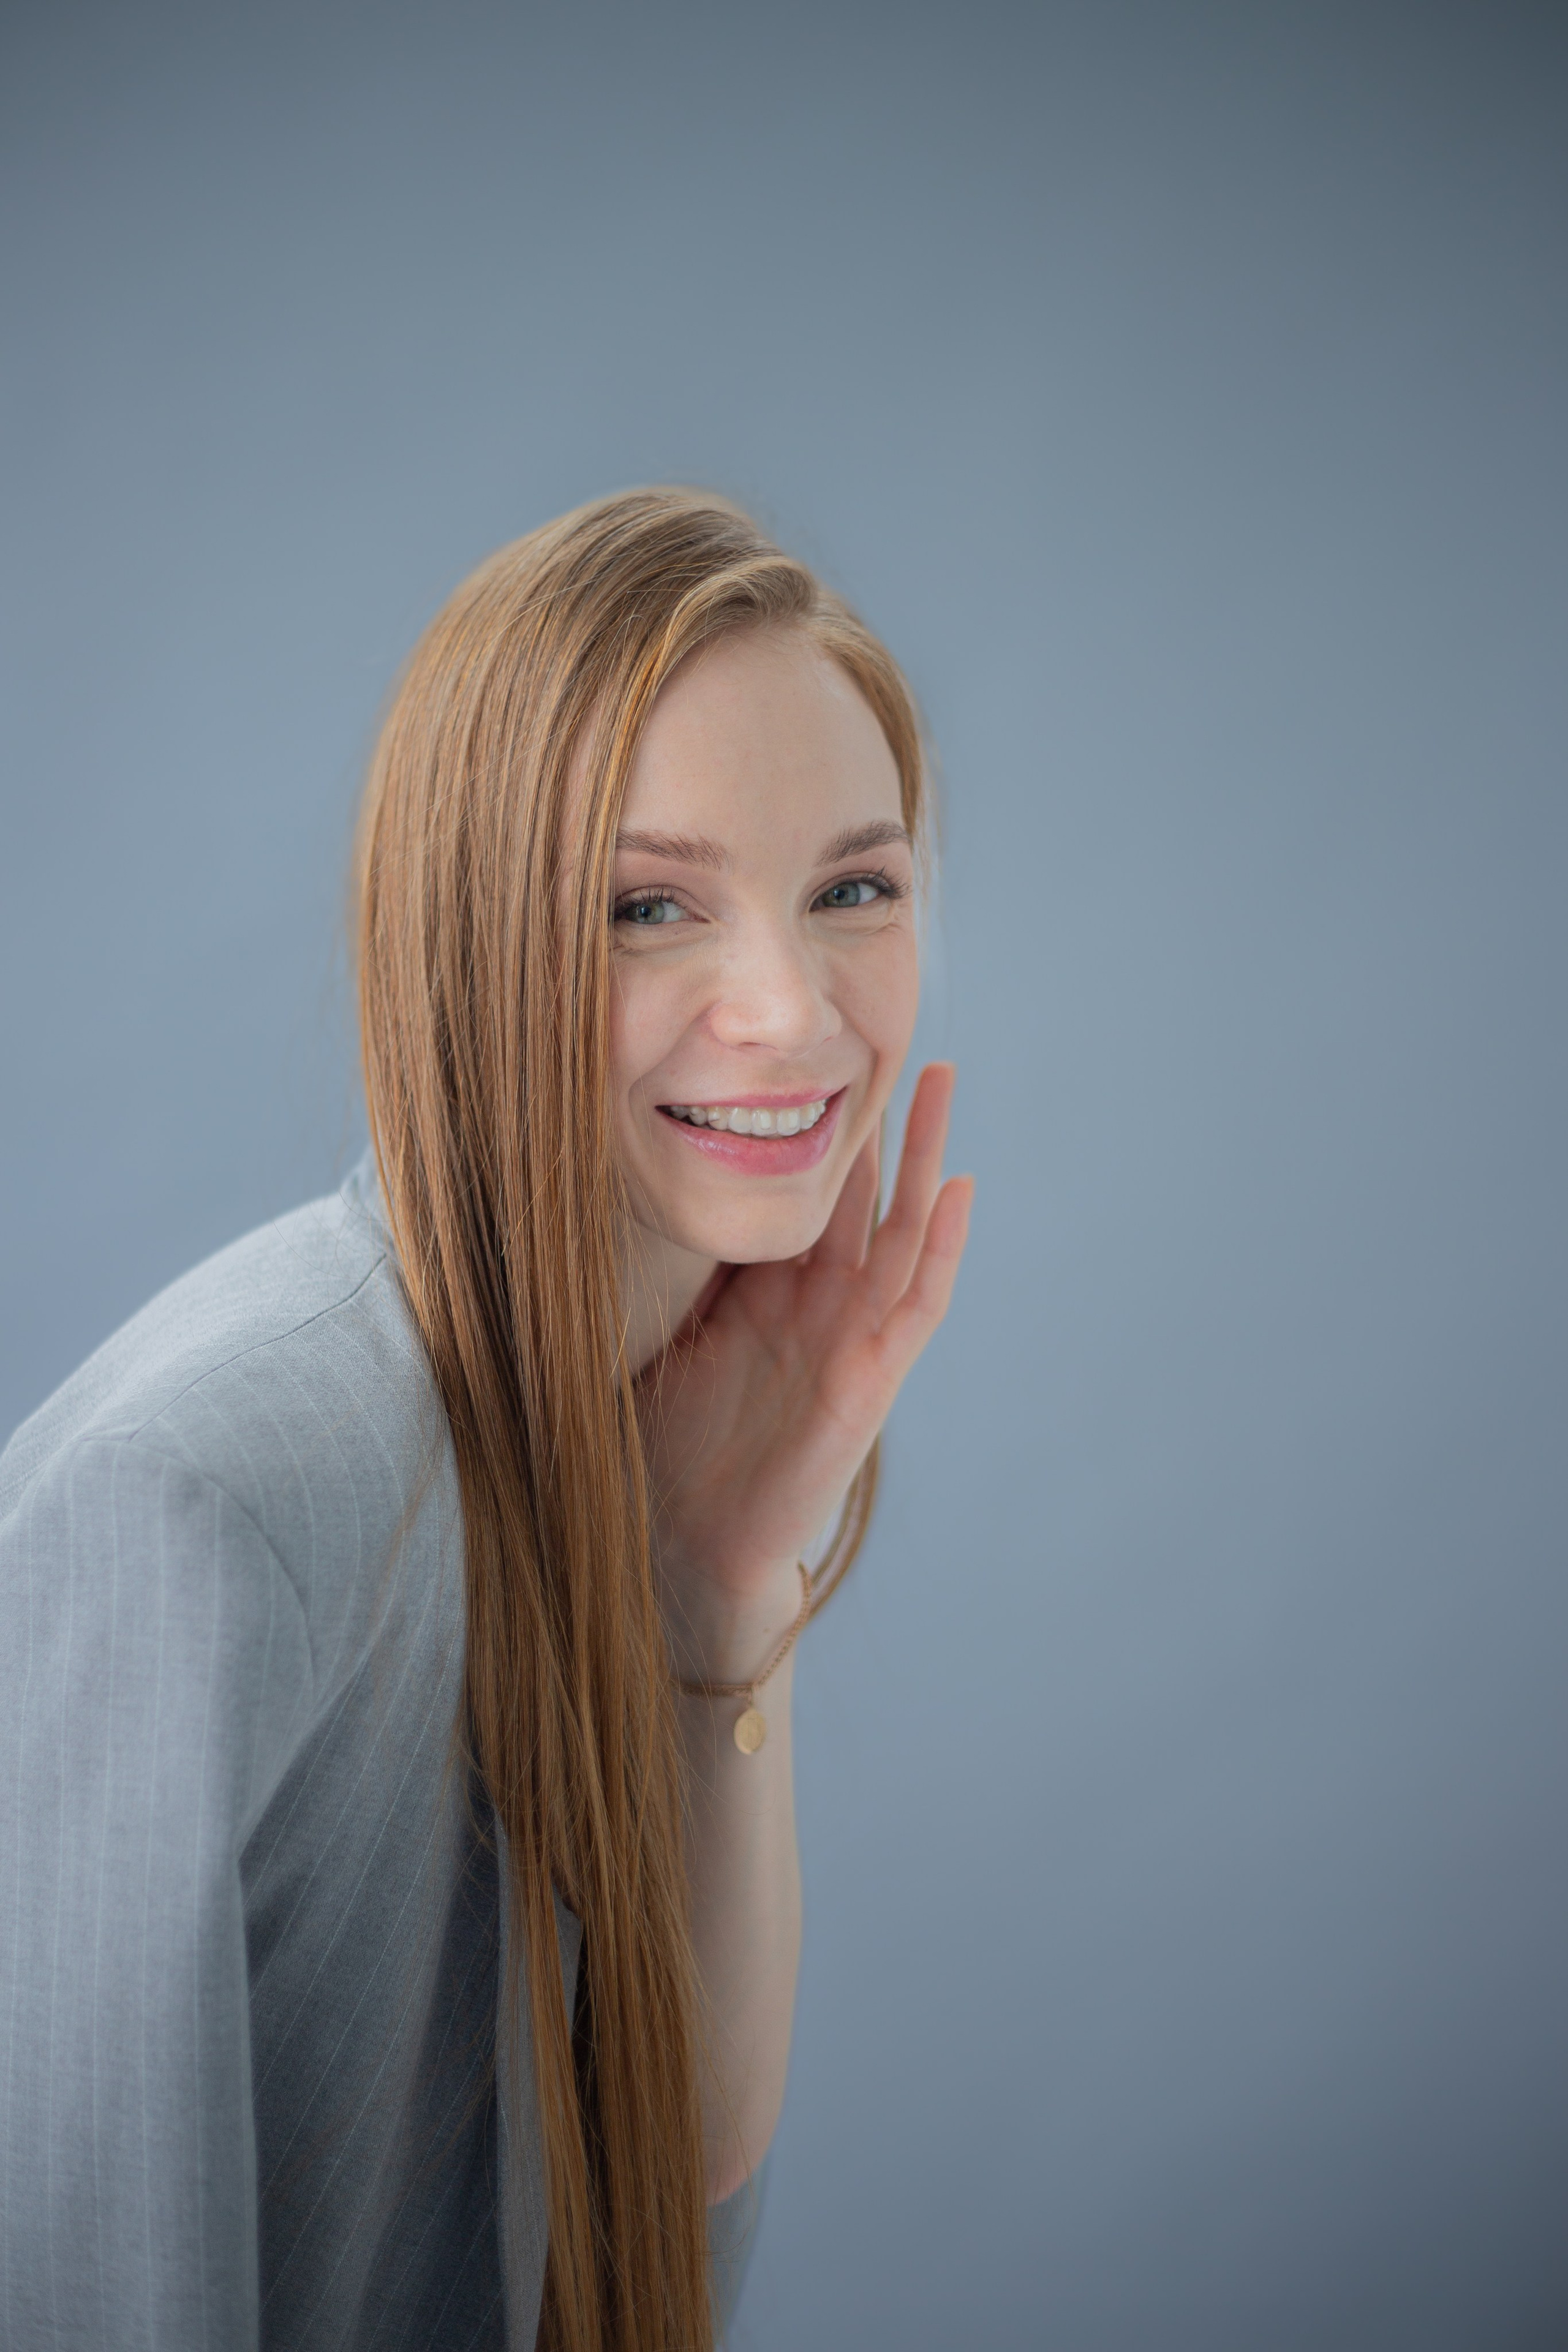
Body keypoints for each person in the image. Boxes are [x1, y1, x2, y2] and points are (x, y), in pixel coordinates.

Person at [0, 489, 973, 2351]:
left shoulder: (618, 1419)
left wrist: (718, 1593)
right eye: (647, 908)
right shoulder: (205, 1499)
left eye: (854, 886)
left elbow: (662, 2229)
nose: (788, 1007)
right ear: (470, 933)